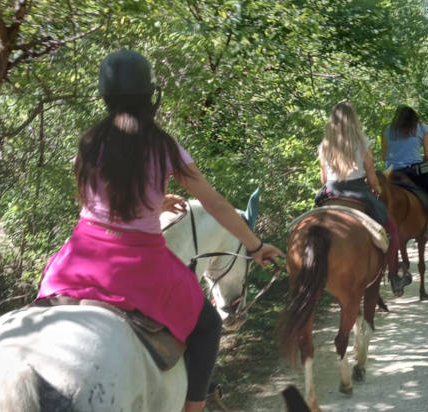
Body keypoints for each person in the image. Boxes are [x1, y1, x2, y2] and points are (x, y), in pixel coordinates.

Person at [35, 50, 284, 412]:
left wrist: (153, 201)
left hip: (79, 255)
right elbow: (214, 204)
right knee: (207, 326)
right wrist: (254, 244)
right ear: (150, 94)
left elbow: (94, 205)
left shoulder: (88, 143)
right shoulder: (163, 146)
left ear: (105, 96)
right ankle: (194, 408)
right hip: (139, 262)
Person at [314, 102, 402, 288]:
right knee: (392, 228)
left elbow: (323, 179)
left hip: (330, 192)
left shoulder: (324, 145)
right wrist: (377, 188)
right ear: (354, 121)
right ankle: (394, 276)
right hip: (357, 192)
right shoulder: (363, 144)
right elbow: (371, 179)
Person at [380, 105, 428, 239]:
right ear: (414, 118)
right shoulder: (422, 128)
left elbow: (384, 157)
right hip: (415, 170)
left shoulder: (387, 130)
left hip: (391, 172)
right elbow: (427, 154)